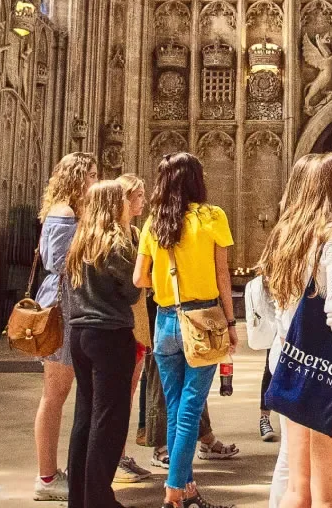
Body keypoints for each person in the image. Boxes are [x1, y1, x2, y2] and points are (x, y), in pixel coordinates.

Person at [258, 151, 332, 508]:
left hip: (295, 363)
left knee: (298, 486)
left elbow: (278, 303)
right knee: (330, 497)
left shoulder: (292, 235)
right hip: (331, 371)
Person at [134, 151, 239, 508]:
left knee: (177, 406)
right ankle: (174, 491)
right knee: (190, 408)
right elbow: (223, 275)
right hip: (203, 320)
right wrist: (230, 320)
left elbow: (138, 279)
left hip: (165, 320)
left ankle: (186, 492)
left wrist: (166, 284)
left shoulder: (153, 223)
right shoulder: (212, 217)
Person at [63, 179, 146, 508]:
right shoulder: (115, 243)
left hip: (80, 334)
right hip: (110, 334)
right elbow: (132, 290)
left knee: (85, 416)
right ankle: (99, 499)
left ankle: (79, 497)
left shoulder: (80, 242)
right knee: (109, 419)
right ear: (115, 205)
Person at [35, 151, 100, 501]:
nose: (94, 180)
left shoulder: (74, 212)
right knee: (55, 396)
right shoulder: (63, 212)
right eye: (90, 174)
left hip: (76, 305)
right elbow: (59, 261)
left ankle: (72, 469)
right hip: (63, 308)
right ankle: (46, 478)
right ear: (75, 178)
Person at [114, 173, 156, 487]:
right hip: (120, 324)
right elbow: (132, 281)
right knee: (115, 396)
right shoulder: (112, 236)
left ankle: (120, 453)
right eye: (138, 196)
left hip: (138, 322)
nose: (143, 201)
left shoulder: (135, 231)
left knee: (127, 393)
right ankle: (112, 458)